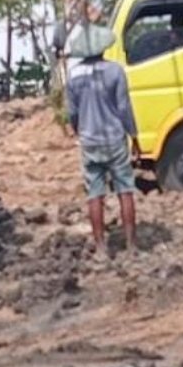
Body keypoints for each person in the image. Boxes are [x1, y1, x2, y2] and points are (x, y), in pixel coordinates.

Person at [66, 23, 140, 259]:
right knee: (125, 190)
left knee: (94, 194)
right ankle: (131, 246)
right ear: (102, 47)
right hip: (115, 139)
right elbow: (124, 108)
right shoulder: (115, 71)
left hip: (90, 141)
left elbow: (72, 113)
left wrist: (80, 130)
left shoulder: (73, 75)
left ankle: (100, 249)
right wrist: (134, 135)